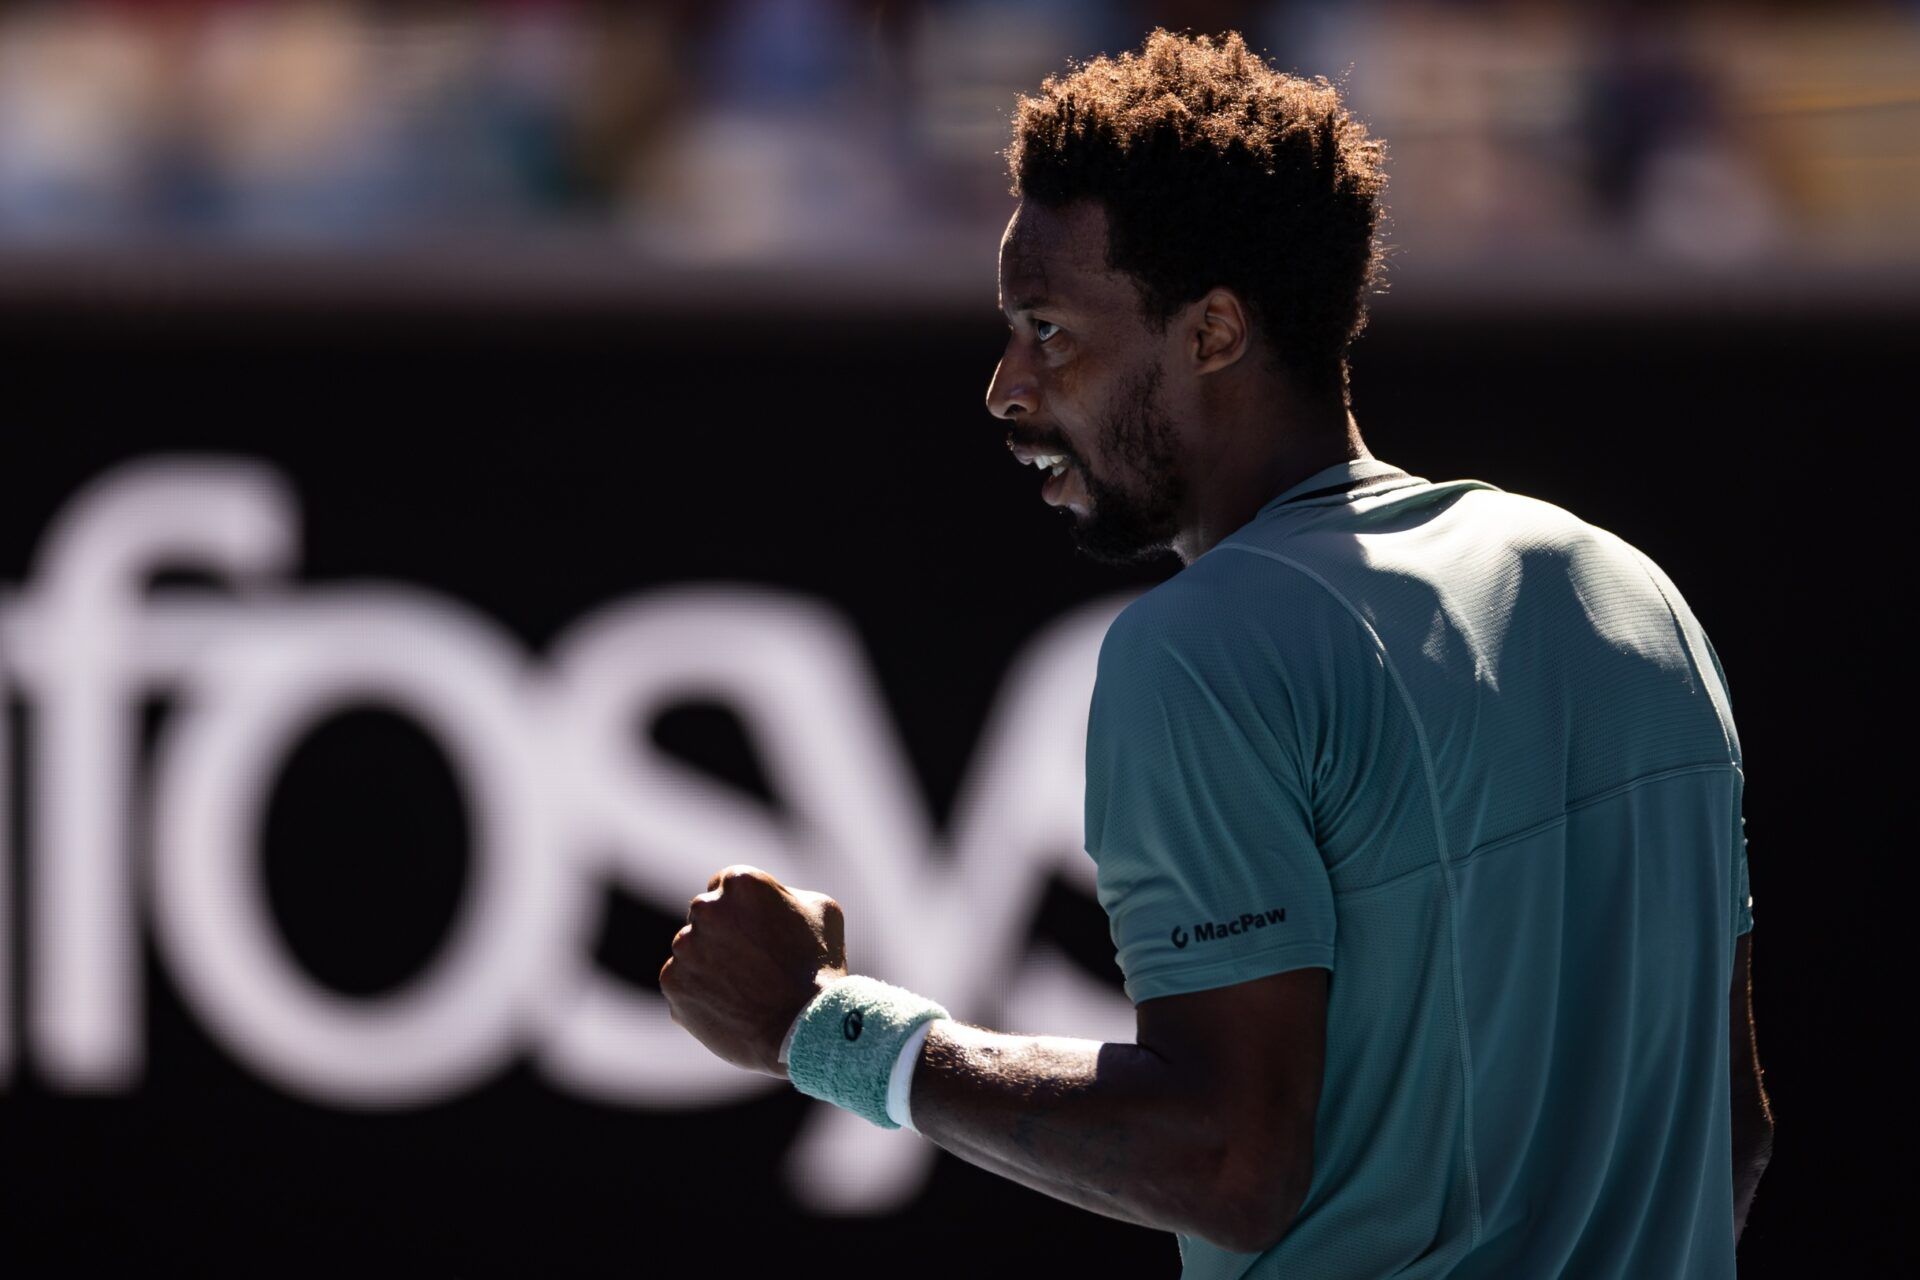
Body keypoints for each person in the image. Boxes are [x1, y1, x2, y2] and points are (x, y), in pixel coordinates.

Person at [659, 28, 1773, 1276]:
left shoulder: (1199, 654)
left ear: (1214, 332)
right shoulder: (1636, 597)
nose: (1006, 388)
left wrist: (822, 1027)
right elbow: (1730, 1135)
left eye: (1049, 330)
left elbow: (1230, 1162)